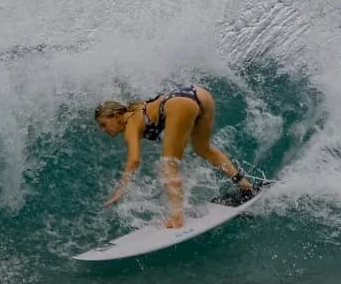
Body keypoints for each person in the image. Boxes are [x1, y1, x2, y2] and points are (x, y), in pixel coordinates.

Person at [95, 85, 255, 228]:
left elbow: (134, 160)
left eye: (104, 124)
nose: (103, 129)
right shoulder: (136, 109)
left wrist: (120, 189)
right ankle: (245, 185)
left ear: (116, 115)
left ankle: (177, 218)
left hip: (180, 104)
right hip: (198, 93)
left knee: (168, 164)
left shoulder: (130, 125)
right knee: (203, 148)